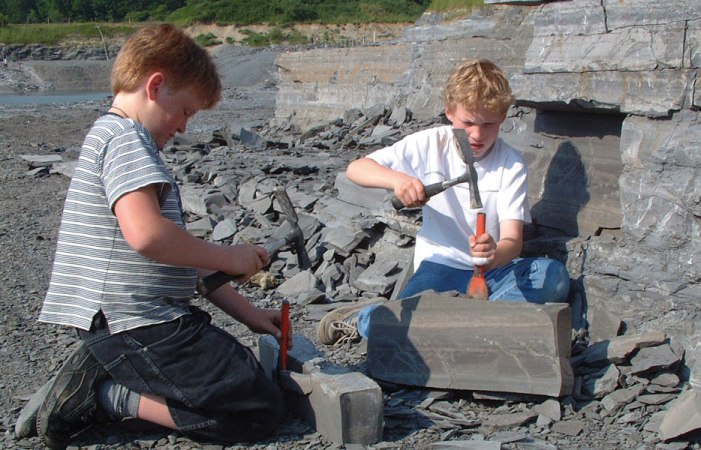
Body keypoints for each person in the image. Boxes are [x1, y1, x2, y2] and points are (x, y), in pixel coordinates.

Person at [21, 24, 287, 449]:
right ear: (156, 85)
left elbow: (180, 258)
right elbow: (147, 236)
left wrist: (251, 314)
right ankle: (108, 395)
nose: (183, 127)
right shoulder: (127, 139)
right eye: (185, 110)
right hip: (136, 320)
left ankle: (110, 369)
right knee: (255, 409)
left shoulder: (113, 137)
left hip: (133, 319)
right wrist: (229, 257)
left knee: (241, 379)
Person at [318, 59, 571, 346]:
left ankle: (450, 326)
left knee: (554, 278)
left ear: (503, 117)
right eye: (468, 123)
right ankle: (365, 318)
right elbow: (356, 169)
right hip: (440, 266)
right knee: (403, 330)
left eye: (488, 124)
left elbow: (513, 241)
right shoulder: (428, 144)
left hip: (494, 272)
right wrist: (398, 181)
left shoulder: (511, 164)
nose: (477, 135)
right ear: (450, 112)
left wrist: (493, 254)